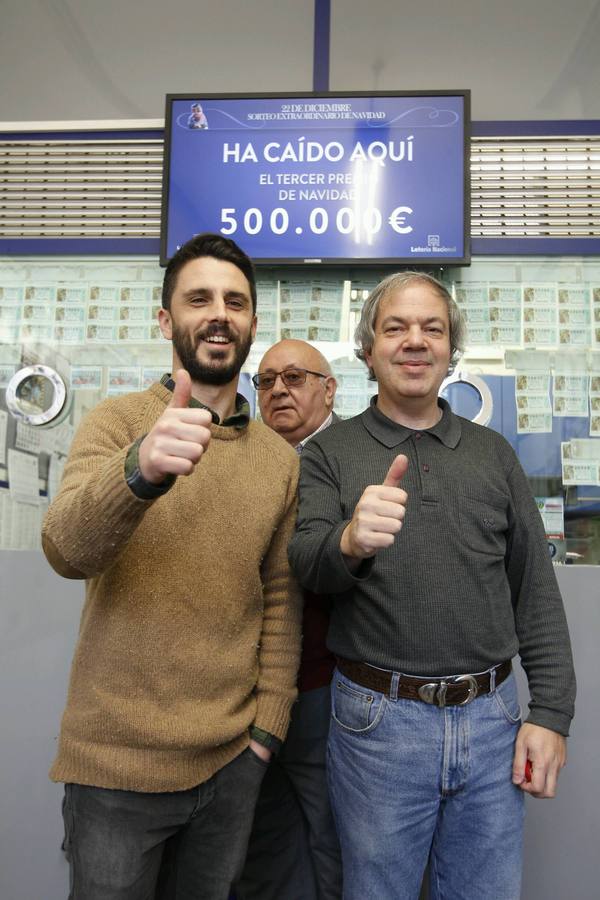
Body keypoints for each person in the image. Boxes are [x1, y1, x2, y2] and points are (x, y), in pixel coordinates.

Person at [288, 272, 576, 900]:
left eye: (432, 329)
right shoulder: (328, 454)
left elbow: (536, 594)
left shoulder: (495, 454)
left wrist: (551, 714)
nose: (414, 342)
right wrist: (349, 541)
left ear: (450, 350)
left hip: (493, 719)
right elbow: (305, 561)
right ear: (369, 348)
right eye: (395, 328)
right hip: (377, 727)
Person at [42, 233, 302, 900]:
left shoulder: (278, 460)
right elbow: (65, 550)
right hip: (114, 769)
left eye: (235, 301)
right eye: (199, 298)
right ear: (167, 321)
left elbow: (278, 599)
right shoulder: (116, 422)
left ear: (250, 322)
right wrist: (140, 470)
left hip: (229, 766)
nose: (220, 313)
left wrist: (267, 730)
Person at [237, 339, 342, 900]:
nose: (278, 389)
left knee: (337, 845)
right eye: (266, 380)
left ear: (330, 389)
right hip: (242, 693)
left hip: (331, 690)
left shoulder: (357, 455)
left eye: (295, 377)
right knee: (257, 847)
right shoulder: (242, 457)